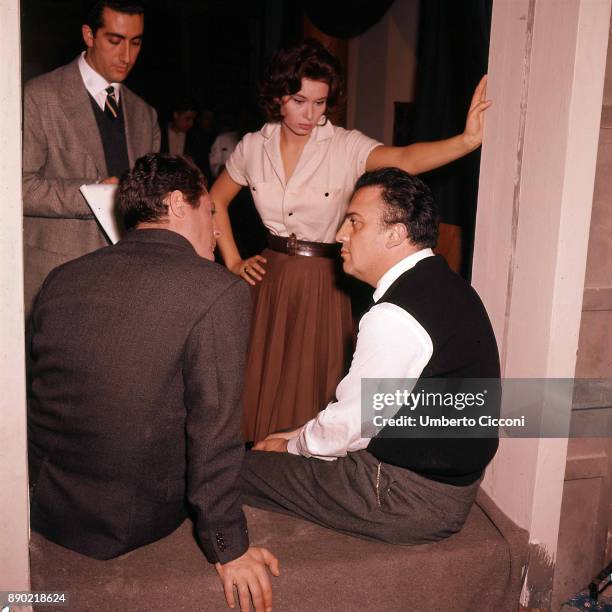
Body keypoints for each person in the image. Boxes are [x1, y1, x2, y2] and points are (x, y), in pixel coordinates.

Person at [28, 154, 279, 612]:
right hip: (129, 517)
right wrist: (229, 545)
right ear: (180, 204)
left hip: (50, 507)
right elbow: (215, 430)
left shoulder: (61, 277)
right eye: (211, 212)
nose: (218, 230)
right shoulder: (218, 290)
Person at [210, 39, 491, 442]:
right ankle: (254, 465)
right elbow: (215, 200)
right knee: (258, 384)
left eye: (320, 103)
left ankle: (296, 465)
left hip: (323, 282)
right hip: (269, 281)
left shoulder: (344, 145)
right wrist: (234, 262)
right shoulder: (253, 147)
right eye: (299, 100)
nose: (310, 114)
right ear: (277, 97)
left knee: (308, 386)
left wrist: (466, 141)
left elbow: (407, 159)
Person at [239, 167, 500, 544]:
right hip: (443, 486)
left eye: (354, 222)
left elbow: (352, 425)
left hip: (406, 497)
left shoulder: (395, 316)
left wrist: (290, 446)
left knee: (231, 470)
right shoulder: (447, 285)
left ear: (395, 234)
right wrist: (296, 434)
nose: (340, 235)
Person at [22, 0, 160, 318]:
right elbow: (18, 188)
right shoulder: (40, 96)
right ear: (89, 35)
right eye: (115, 41)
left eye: (135, 42)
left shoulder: (145, 114)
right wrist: (94, 192)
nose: (127, 56)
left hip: (123, 283)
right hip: (55, 279)